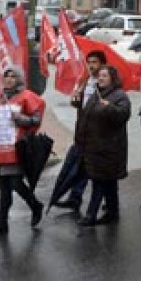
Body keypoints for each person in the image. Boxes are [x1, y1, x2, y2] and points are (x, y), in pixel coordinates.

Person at [0, 65, 46, 236]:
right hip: (0, 148)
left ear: (19, 79)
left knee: (16, 183)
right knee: (4, 188)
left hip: (17, 148)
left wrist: (21, 118)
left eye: (13, 76)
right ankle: (1, 223)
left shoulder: (27, 97)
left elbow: (36, 119)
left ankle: (35, 205)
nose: (9, 79)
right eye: (6, 76)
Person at [75, 64, 132, 226]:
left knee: (99, 181)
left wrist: (110, 108)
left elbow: (123, 115)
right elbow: (86, 116)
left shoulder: (119, 96)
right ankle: (112, 212)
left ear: (112, 79)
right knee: (108, 182)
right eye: (99, 75)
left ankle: (90, 215)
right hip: (94, 147)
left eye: (104, 76)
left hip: (109, 149)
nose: (100, 78)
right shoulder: (96, 95)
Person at [53, 49, 106, 212]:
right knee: (79, 165)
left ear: (102, 64)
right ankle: (75, 197)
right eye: (89, 62)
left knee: (99, 170)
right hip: (82, 130)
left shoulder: (104, 82)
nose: (91, 66)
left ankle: (109, 201)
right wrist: (76, 100)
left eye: (95, 62)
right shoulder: (85, 80)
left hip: (97, 133)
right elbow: (80, 104)